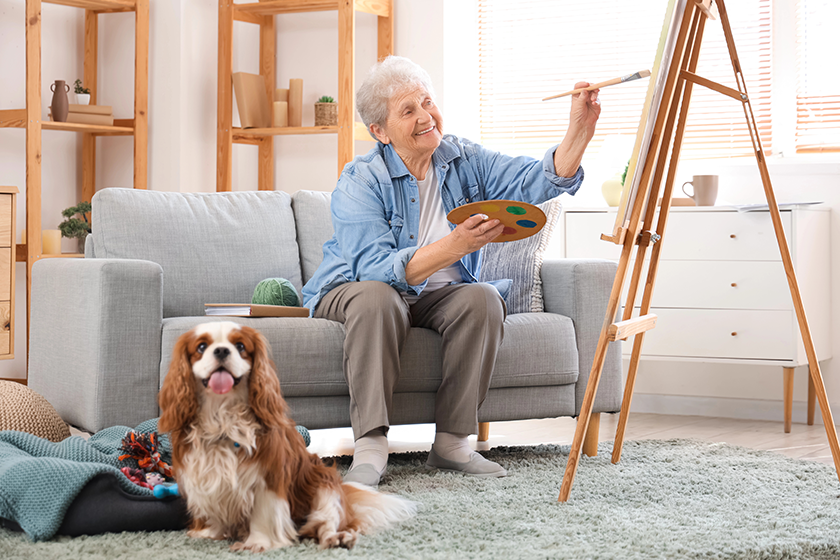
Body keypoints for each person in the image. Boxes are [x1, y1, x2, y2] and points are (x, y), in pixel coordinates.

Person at [302, 56, 600, 486]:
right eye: (408, 111)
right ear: (380, 132)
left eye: (428, 102)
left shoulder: (463, 158)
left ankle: (453, 444)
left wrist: (579, 131)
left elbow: (537, 181)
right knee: (377, 296)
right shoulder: (360, 181)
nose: (426, 117)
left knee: (482, 298)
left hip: (433, 295)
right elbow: (374, 269)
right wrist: (455, 245)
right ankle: (370, 445)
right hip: (354, 288)